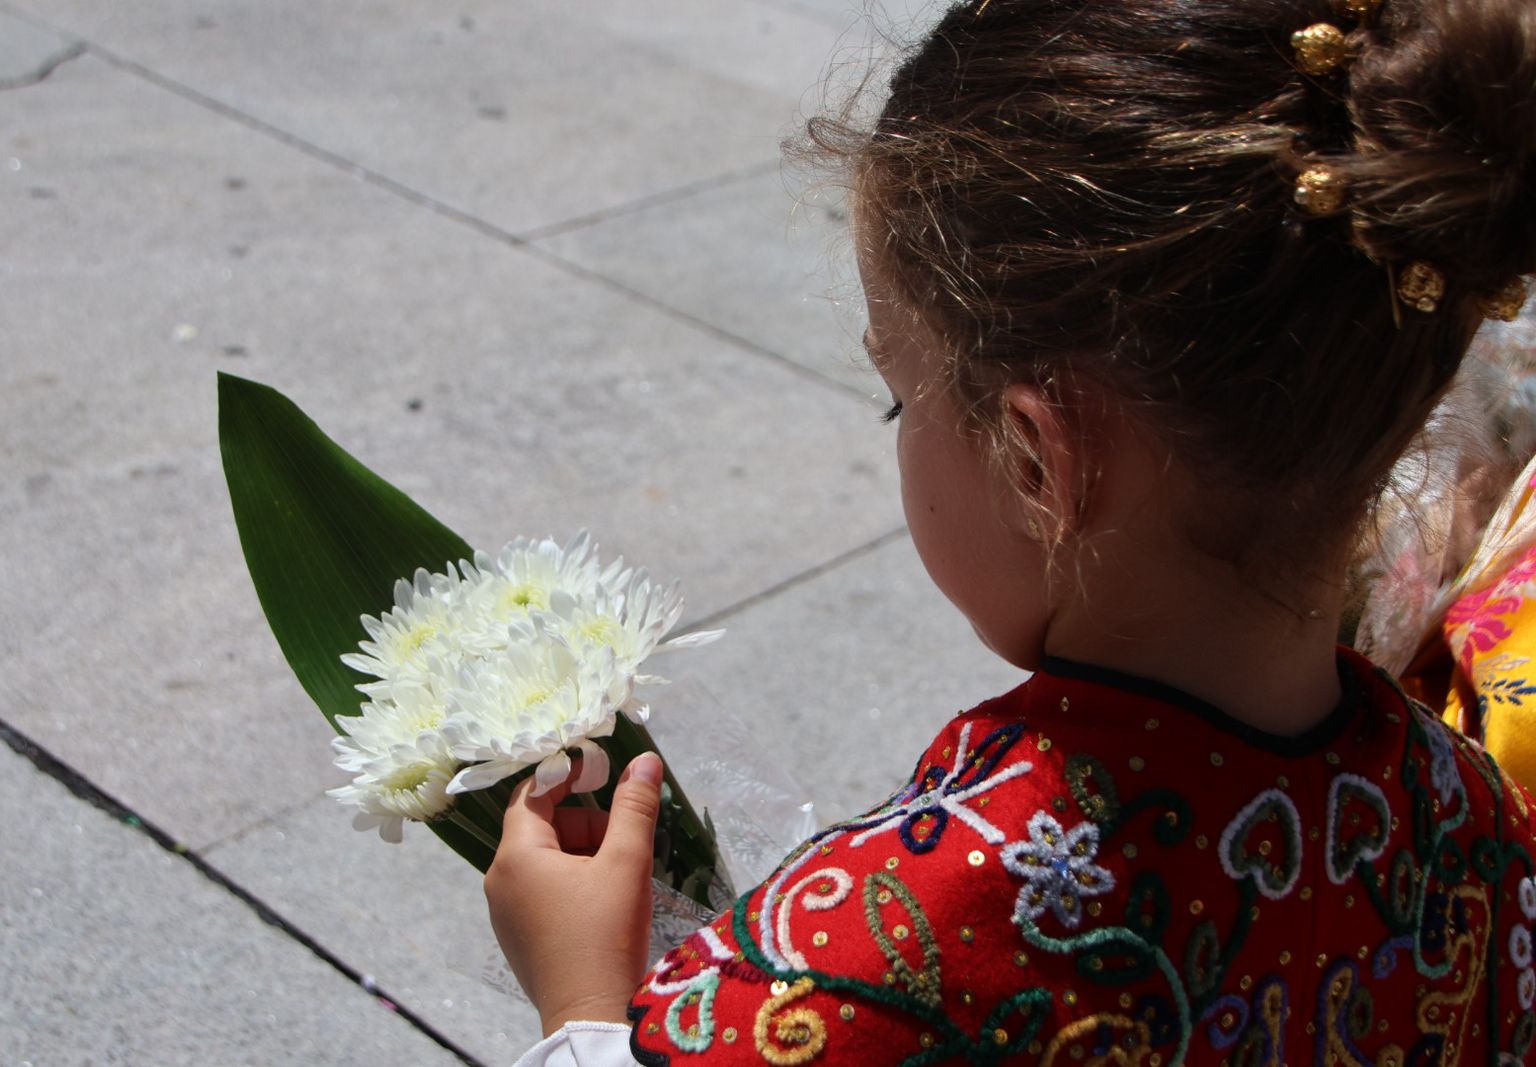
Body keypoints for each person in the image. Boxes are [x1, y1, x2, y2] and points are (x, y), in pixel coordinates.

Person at [486, 0, 1536, 1062]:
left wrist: (580, 1005)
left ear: (1037, 462)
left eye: (900, 398)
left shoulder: (879, 949)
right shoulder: (1472, 822)